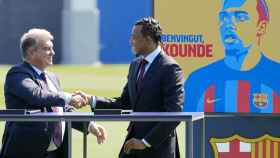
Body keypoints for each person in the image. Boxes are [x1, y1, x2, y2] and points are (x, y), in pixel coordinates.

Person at [78, 17, 184, 158]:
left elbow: (175, 113)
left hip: (158, 149)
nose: (130, 41)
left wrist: (145, 142)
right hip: (132, 144)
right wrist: (91, 100)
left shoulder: (170, 68)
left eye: (134, 37)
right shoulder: (135, 65)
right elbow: (124, 103)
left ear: (148, 39)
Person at [0, 28, 106, 158]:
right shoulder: (17, 73)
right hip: (26, 150)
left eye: (52, 48)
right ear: (31, 52)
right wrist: (68, 97)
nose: (52, 53)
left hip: (55, 152)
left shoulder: (52, 77)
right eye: (47, 49)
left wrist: (89, 125)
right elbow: (36, 95)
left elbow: (62, 109)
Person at [184, 0, 280, 113]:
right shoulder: (197, 80)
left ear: (261, 27)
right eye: (224, 17)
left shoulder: (276, 76)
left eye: (241, 18)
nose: (228, 24)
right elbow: (184, 128)